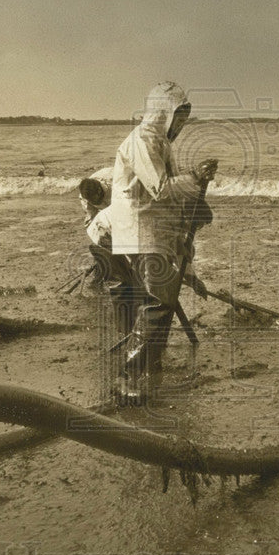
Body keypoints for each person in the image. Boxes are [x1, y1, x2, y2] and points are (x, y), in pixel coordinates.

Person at [108, 81, 217, 403]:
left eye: (184, 118)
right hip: (142, 231)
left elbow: (169, 195)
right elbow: (160, 189)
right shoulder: (143, 140)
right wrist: (195, 178)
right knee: (158, 303)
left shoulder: (159, 143)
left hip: (154, 231)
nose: (181, 125)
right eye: (178, 117)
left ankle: (151, 367)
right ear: (163, 114)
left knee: (163, 301)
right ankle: (127, 374)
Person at [87, 200, 210, 334]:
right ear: (187, 216)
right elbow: (151, 258)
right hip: (104, 233)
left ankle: (139, 328)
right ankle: (127, 333)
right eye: (196, 226)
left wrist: (194, 280)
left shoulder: (174, 219)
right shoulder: (161, 220)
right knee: (124, 287)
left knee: (144, 284)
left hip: (126, 235)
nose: (193, 231)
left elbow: (179, 253)